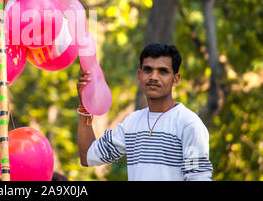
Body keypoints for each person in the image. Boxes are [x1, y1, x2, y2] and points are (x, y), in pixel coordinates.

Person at [77, 43, 213, 181]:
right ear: (139, 75)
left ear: (176, 79)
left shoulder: (188, 123)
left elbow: (199, 177)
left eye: (163, 71)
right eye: (148, 70)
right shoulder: (132, 122)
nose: (154, 77)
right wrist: (84, 104)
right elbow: (87, 157)